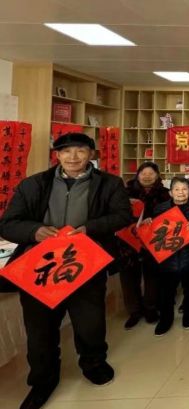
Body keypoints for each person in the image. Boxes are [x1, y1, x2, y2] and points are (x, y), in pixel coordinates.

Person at [0, 133, 131, 408]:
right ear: (57, 155)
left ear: (91, 154)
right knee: (40, 328)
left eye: (80, 150)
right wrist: (35, 231)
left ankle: (93, 363)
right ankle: (43, 379)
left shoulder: (110, 183)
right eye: (66, 151)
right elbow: (8, 223)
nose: (73, 157)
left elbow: (122, 215)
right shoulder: (33, 184)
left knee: (90, 322)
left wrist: (89, 229)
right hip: (41, 267)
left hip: (86, 263)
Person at [146, 177, 189, 336]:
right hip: (167, 258)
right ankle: (166, 318)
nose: (181, 193)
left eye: (184, 189)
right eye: (177, 189)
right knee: (166, 291)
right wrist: (148, 223)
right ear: (171, 192)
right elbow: (153, 232)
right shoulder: (160, 208)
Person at [121, 162, 170, 330]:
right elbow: (117, 214)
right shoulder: (125, 192)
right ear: (137, 175)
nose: (147, 176)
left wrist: (153, 221)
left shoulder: (165, 194)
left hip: (153, 241)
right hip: (129, 241)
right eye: (143, 173)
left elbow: (169, 217)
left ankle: (151, 308)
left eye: (151, 173)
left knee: (152, 276)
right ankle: (134, 311)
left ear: (157, 176)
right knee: (129, 277)